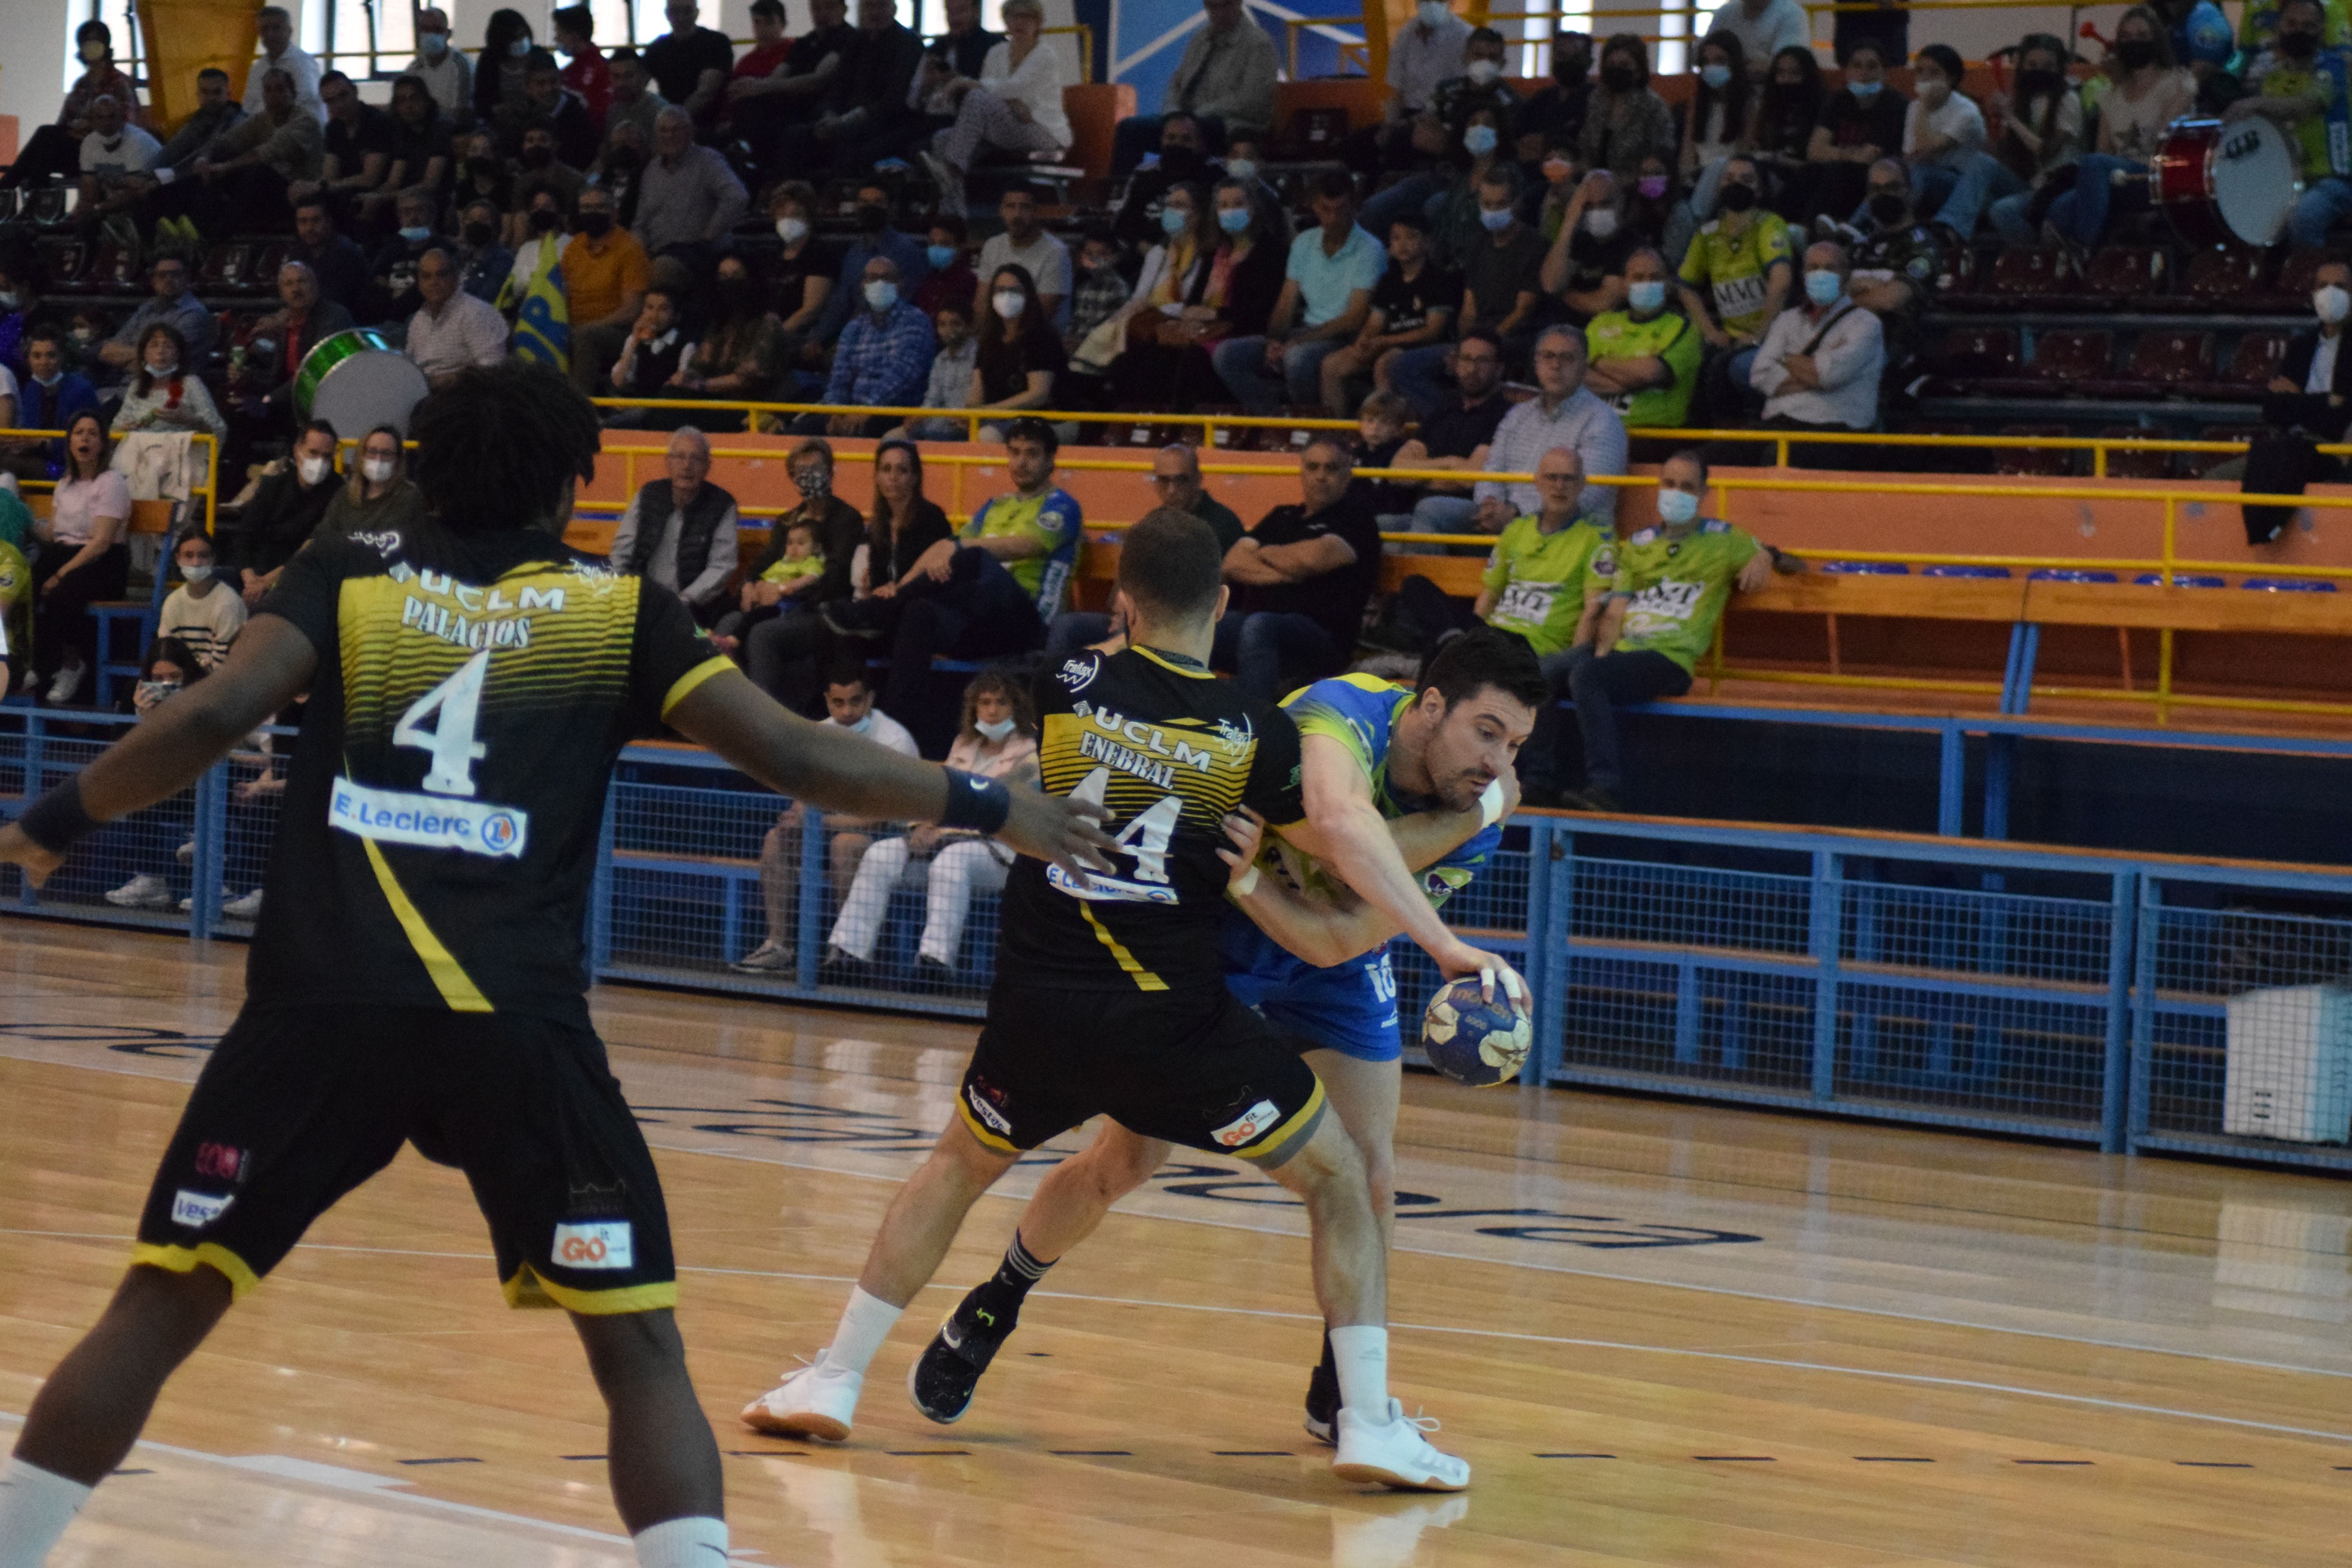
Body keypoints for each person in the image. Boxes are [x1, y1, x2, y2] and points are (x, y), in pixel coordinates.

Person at [0, 359, 1109, 1568]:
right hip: (514, 1020)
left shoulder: (350, 572)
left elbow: (216, 714)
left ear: (419, 469)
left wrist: (56, 818)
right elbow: (798, 756)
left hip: (323, 1008)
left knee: (162, 1301)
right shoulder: (620, 606)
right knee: (637, 1348)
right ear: (573, 484)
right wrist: (989, 805)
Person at [742, 508, 1478, 1495]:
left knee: (957, 1166)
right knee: (1344, 1184)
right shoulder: (1252, 730)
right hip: (1172, 1024)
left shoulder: (1062, 684)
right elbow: (1336, 845)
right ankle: (1371, 1424)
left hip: (1037, 1010)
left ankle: (832, 1378)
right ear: (1223, 602)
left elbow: (1055, 737)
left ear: (1121, 603)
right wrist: (1474, 825)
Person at [924, 627, 1538, 1453]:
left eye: (1516, 747)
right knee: (1125, 1162)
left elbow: (1341, 937)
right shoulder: (1334, 716)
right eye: (1488, 733)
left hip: (1327, 955)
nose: (1497, 763)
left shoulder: (1475, 809)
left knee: (1373, 1173)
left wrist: (1261, 872)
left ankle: (1344, 1393)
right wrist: (1252, 884)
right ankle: (999, 1297)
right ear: (1430, 707)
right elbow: (1338, 824)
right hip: (1225, 936)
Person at [823, 419, 1077, 722]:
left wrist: (961, 548)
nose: (1021, 462)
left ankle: (876, 612)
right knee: (919, 611)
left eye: (1032, 454)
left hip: (1027, 623)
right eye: (1015, 453)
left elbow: (1028, 545)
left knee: (975, 557)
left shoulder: (1062, 506)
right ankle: (894, 727)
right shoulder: (996, 505)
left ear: (1050, 460)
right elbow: (944, 547)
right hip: (983, 621)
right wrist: (899, 588)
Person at [1566, 449, 1775, 809]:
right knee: (1545, 671)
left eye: (1687, 487)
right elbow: (1615, 612)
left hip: (1671, 659)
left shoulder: (1724, 540)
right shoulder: (1637, 544)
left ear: (1704, 493)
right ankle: (1534, 783)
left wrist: (1767, 555)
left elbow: (1793, 562)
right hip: (1625, 653)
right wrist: (1603, 658)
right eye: (1669, 484)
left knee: (1587, 677)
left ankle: (1604, 788)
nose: (1676, 493)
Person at [822, 668, 1041, 982]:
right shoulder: (963, 746)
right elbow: (941, 796)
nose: (992, 711)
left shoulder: (1031, 754)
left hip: (997, 855)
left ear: (1015, 708)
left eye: (1001, 703)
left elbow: (996, 807)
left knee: (953, 862)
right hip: (942, 844)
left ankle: (935, 963)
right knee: (880, 855)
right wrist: (921, 826)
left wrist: (942, 829)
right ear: (974, 709)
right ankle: (849, 954)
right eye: (985, 703)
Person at [734, 668, 926, 975]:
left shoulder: (894, 740)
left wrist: (814, 824)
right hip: (828, 825)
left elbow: (876, 820)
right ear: (827, 700)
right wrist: (794, 818)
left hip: (891, 836)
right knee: (776, 839)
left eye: (855, 701)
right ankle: (779, 945)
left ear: (871, 699)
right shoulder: (818, 734)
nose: (847, 711)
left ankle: (847, 950)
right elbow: (804, 795)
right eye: (838, 702)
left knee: (846, 846)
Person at [748, 437, 956, 712]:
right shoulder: (880, 524)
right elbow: (881, 583)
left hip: (915, 615)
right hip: (881, 611)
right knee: (827, 624)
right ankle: (832, 710)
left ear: (915, 477)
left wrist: (895, 589)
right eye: (886, 470)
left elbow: (935, 577)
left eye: (902, 470)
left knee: (830, 619)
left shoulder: (930, 518)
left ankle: (880, 715)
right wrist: (751, 585)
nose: (893, 478)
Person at [1215, 437, 1383, 699]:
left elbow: (1312, 560)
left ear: (1347, 475)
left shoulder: (1357, 518)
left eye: (1331, 469)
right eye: (1313, 468)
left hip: (1324, 640)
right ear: (1302, 472)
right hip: (1265, 634)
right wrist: (1288, 573)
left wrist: (1265, 552)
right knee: (1210, 624)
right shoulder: (1282, 516)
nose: (1321, 476)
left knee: (1259, 625)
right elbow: (1233, 563)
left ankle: (1253, 720)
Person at [1044, 443, 1244, 657]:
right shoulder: (1152, 522)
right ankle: (1053, 689)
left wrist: (1137, 609)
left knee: (1130, 635)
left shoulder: (1222, 524)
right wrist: (1125, 600)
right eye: (1164, 480)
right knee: (1067, 626)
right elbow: (1121, 586)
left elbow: (1198, 591)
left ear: (1198, 479)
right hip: (1139, 618)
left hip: (1193, 626)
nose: (1172, 490)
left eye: (1181, 480)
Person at [1108, 178, 1286, 412]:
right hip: (1205, 327)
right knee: (1131, 360)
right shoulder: (1214, 252)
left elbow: (1259, 310)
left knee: (1191, 361)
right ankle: (1140, 430)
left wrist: (1213, 314)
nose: (1230, 211)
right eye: (1223, 205)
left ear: (1255, 207)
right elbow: (1194, 301)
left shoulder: (1271, 252)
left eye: (1238, 204)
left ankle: (1181, 428)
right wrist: (1191, 317)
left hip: (1241, 330)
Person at [1215, 171, 1385, 415]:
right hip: (1305, 330)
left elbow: (1355, 318)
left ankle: (1309, 423)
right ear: (1315, 206)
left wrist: (1295, 342)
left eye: (1342, 209)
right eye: (1327, 209)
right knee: (1228, 354)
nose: (1335, 218)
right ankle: (1274, 421)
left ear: (1354, 206)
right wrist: (1275, 340)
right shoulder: (1304, 243)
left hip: (1344, 337)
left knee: (1296, 358)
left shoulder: (1370, 249)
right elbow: (1286, 304)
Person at [2044, 8, 2193, 254]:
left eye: (2142, 35)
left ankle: (2084, 249)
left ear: (2156, 40)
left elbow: (2163, 140)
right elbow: (2104, 151)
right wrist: (2118, 83)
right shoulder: (2110, 96)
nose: (2134, 42)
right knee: (2056, 210)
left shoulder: (2179, 83)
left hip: (2157, 175)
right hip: (2119, 178)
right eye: (2126, 36)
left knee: (2090, 174)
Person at [716, 440, 866, 658]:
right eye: (801, 473)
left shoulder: (847, 519)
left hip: (817, 609)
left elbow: (836, 578)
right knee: (728, 624)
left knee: (762, 634)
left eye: (816, 470)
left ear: (831, 473)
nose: (809, 478)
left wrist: (785, 591)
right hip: (775, 606)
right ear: (793, 480)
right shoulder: (788, 521)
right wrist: (749, 585)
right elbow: (765, 561)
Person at [921, 0, 1069, 218]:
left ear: (1037, 23)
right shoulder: (997, 52)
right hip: (1007, 126)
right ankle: (954, 217)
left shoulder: (1045, 55)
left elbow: (1013, 87)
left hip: (1041, 131)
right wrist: (1010, 102)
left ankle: (951, 171)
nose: (1019, 23)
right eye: (1013, 17)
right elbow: (998, 91)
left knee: (975, 98)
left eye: (1026, 18)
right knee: (942, 139)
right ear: (1006, 21)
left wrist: (961, 83)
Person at [1475, 325, 1629, 530]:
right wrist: (1490, 505)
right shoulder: (1518, 415)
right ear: (1537, 364)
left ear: (1584, 369)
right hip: (1503, 520)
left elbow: (1588, 496)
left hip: (1567, 532)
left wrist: (1516, 516)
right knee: (1434, 510)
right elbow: (1492, 470)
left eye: (1567, 358)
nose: (1556, 365)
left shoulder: (1604, 421)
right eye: (1548, 356)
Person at [1677, 154, 1793, 416]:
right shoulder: (1708, 234)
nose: (1736, 185)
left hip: (1773, 337)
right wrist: (1709, 331)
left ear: (1760, 189)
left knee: (1729, 369)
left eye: (1747, 180)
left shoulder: (1769, 225)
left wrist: (1758, 336)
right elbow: (1685, 286)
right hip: (1729, 336)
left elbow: (1781, 282)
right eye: (1729, 179)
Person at [1113, 0, 1283, 178]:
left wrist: (1195, 117)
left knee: (1196, 130)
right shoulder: (1199, 39)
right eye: (1212, 7)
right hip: (1189, 119)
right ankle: (1121, 191)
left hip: (1231, 125)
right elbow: (1177, 84)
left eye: (1224, 6)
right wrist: (1173, 114)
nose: (1218, 13)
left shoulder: (1259, 44)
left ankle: (1191, 187)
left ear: (1238, 4)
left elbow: (1251, 101)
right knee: (1131, 129)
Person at [29, 412, 131, 707]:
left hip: (103, 561)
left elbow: (101, 543)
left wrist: (60, 574)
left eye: (92, 433)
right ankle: (36, 664)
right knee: (27, 583)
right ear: (70, 441)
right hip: (65, 552)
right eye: (79, 433)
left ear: (102, 443)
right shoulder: (65, 483)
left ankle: (73, 666)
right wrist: (24, 520)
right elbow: (54, 533)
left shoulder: (111, 483)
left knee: (62, 592)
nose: (85, 439)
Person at [2237, 0, 2352, 248]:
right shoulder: (2274, 79)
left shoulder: (2335, 67)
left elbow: (2305, 106)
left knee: (2305, 216)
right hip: (2288, 180)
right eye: (2292, 23)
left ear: (2321, 32)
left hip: (2336, 179)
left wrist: (2254, 105)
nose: (2299, 31)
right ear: (2279, 28)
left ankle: (2313, 280)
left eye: (2309, 26)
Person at [1319, 214, 1458, 417]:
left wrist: (1383, 341)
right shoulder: (1388, 280)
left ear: (1427, 241)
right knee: (1331, 365)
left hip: (1419, 347)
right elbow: (1375, 322)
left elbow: (1432, 331)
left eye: (1411, 237)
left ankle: (1387, 430)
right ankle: (1338, 431)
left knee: (1385, 365)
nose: (1403, 244)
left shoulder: (1439, 279)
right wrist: (1364, 341)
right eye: (1396, 238)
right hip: (1385, 342)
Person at [1751, 240, 1883, 445]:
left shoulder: (1866, 323)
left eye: (1830, 268)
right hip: (1779, 425)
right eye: (1813, 268)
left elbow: (1829, 376)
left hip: (1835, 432)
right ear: (1803, 275)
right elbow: (1760, 376)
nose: (1821, 274)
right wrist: (1814, 371)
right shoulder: (1787, 319)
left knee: (1777, 460)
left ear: (1845, 276)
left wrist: (1782, 357)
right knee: (1717, 459)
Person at [609, 427, 740, 624]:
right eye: (679, 457)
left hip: (696, 607)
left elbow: (722, 566)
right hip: (642, 601)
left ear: (708, 466)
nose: (687, 466)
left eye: (696, 459)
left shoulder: (722, 504)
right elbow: (622, 552)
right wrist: (620, 593)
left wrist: (684, 601)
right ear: (668, 463)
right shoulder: (647, 495)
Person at [1391, 332, 1513, 534]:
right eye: (1466, 359)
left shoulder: (1506, 416)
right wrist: (1450, 463)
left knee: (1429, 510)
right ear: (1456, 364)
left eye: (1482, 361)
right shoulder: (1443, 410)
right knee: (1376, 525)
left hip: (1472, 511)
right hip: (1419, 509)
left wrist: (1423, 472)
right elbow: (1398, 471)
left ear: (1499, 368)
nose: (1472, 368)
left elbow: (1472, 478)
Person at [5, 20, 149, 189]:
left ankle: (12, 188)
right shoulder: (81, 85)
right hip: (79, 153)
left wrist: (89, 129)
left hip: (109, 153)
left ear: (105, 45)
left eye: (96, 40)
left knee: (45, 138)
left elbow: (126, 127)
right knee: (43, 149)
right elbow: (63, 125)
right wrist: (75, 131)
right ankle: (36, 197)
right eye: (85, 42)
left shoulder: (119, 83)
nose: (90, 46)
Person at [181, 68, 325, 236]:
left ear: (293, 93)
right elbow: (224, 141)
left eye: (280, 89)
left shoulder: (305, 122)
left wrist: (224, 168)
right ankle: (195, 225)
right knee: (218, 161)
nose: (274, 96)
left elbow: (266, 153)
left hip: (299, 194)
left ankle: (217, 235)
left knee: (256, 172)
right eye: (268, 90)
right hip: (270, 191)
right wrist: (204, 159)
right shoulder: (263, 119)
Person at [1788, 39, 1905, 227]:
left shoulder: (1894, 104)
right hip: (1838, 169)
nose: (1863, 73)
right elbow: (1814, 151)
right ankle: (1784, 228)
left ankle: (1808, 230)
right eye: (1857, 66)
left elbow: (1869, 156)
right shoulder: (1837, 100)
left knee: (1837, 172)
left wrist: (1835, 153)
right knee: (1809, 172)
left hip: (1874, 175)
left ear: (1885, 72)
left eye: (1872, 67)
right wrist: (1848, 154)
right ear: (1847, 71)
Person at [817, 258, 938, 437]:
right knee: (804, 430)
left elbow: (904, 374)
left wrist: (867, 409)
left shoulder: (915, 321)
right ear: (863, 285)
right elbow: (839, 378)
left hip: (895, 410)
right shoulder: (854, 327)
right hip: (853, 410)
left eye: (886, 278)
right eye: (872, 278)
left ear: (900, 284)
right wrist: (836, 412)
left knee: (862, 432)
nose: (879, 284)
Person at [1985, 34, 2086, 246]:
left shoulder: (2069, 100)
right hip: (2029, 182)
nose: (2039, 71)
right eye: (2032, 65)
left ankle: (2038, 256)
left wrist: (2011, 119)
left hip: (2057, 184)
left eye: (2047, 65)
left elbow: (2046, 152)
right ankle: (1952, 230)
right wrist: (1996, 122)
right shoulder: (2021, 99)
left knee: (2002, 211)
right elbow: (2002, 155)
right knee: (1980, 165)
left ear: (2059, 68)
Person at [1584, 247, 1702, 427]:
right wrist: (1624, 384)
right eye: (1638, 278)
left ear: (1668, 284)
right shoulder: (1601, 323)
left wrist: (1598, 362)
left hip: (1655, 432)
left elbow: (1651, 373)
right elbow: (1576, 374)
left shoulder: (1683, 328)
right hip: (1600, 427)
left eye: (1655, 278)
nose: (1647, 284)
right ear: (1624, 284)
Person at [227, 422, 340, 608]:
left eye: (327, 456)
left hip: (303, 580)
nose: (320, 462)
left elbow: (315, 548)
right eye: (313, 453)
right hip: (255, 575)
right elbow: (245, 535)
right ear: (297, 450)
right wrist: (250, 579)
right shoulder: (273, 486)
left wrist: (267, 582)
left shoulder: (338, 494)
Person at [1846, 161, 1943, 372]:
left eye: (1892, 188)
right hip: (1844, 341)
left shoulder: (1923, 246)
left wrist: (1849, 293)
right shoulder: (1860, 245)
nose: (1884, 195)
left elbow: (1889, 300)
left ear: (1910, 192)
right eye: (1875, 189)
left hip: (1891, 349)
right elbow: (1822, 292)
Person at [669, 254, 782, 430]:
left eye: (737, 275)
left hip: (750, 409)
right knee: (670, 398)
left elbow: (746, 380)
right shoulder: (720, 324)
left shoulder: (767, 323)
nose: (730, 282)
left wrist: (700, 385)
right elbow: (700, 365)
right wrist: (684, 378)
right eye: (723, 277)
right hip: (717, 403)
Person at [633, 107, 748, 265]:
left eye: (676, 130)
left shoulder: (708, 160)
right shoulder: (651, 171)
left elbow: (737, 197)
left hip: (698, 255)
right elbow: (640, 223)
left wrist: (709, 236)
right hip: (656, 253)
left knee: (663, 267)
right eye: (663, 131)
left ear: (690, 131)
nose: (669, 136)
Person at [1677, 31, 1757, 241]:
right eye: (1707, 62)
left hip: (1729, 175)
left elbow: (1743, 154)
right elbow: (1687, 152)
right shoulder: (1697, 103)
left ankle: (1694, 224)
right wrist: (1687, 175)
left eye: (1720, 61)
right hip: (1699, 173)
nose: (1712, 67)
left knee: (1720, 166)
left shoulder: (1748, 105)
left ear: (1734, 64)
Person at [970, 264, 1062, 435]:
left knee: (987, 436)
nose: (1006, 296)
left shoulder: (1042, 337)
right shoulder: (988, 340)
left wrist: (989, 412)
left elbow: (1039, 394)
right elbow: (976, 391)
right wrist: (969, 413)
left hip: (1047, 421)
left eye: (1015, 291)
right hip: (997, 419)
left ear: (1029, 295)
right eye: (1000, 290)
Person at [97, 258, 216, 386]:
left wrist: (124, 360)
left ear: (186, 279)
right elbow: (107, 352)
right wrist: (145, 359)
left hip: (169, 390)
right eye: (162, 275)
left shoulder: (194, 314)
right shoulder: (147, 309)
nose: (169, 280)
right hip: (128, 385)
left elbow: (163, 365)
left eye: (175, 275)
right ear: (153, 281)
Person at [404, 246, 509, 391]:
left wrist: (444, 381)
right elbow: (411, 368)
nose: (434, 282)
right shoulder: (418, 321)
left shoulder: (476, 312)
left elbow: (493, 369)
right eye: (427, 276)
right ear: (420, 284)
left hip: (463, 400)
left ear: (456, 277)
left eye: (442, 275)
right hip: (425, 398)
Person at [1113, 113, 1225, 247]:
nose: (1178, 144)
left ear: (1201, 143)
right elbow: (1123, 223)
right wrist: (1144, 248)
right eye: (1171, 138)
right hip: (1147, 252)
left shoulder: (1217, 176)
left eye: (1186, 139)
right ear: (1162, 140)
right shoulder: (1144, 174)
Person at [1543, 170, 1637, 327]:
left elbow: (1603, 305)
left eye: (1605, 204)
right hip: (1564, 329)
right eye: (1589, 206)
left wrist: (1566, 294)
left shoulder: (1633, 246)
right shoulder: (1578, 241)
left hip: (1608, 332)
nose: (1597, 212)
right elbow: (1551, 285)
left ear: (1621, 202)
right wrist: (1569, 222)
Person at [5, 328, 101, 482]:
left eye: (51, 355)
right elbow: (28, 431)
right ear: (28, 359)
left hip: (68, 467)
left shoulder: (81, 390)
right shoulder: (30, 389)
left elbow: (88, 443)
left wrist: (40, 442)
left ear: (62, 357)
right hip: (36, 461)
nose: (44, 362)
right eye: (37, 356)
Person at [294, 71, 395, 218]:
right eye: (331, 101)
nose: (339, 105)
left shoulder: (377, 122)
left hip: (377, 195)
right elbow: (330, 175)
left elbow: (370, 179)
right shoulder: (334, 128)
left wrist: (322, 187)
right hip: (346, 192)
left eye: (343, 96)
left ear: (355, 92)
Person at [975, 187, 1073, 333]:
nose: (1017, 215)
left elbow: (1041, 315)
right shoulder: (993, 246)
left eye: (1025, 207)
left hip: (1039, 341)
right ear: (1001, 211)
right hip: (997, 337)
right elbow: (982, 304)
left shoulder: (1056, 253)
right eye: (1010, 207)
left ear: (1036, 211)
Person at [1580, 34, 1679, 178]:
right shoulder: (1596, 100)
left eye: (1624, 65)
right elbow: (1585, 147)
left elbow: (1662, 158)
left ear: (1639, 70)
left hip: (1635, 186)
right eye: (1611, 65)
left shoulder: (1654, 107)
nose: (1616, 70)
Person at [111, 325, 227, 442]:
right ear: (144, 354)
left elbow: (218, 431)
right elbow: (114, 432)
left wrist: (191, 421)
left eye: (168, 346)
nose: (161, 352)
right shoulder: (136, 387)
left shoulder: (191, 384)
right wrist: (124, 430)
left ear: (178, 355)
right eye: (154, 345)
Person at [316, 424, 428, 543]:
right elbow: (323, 535)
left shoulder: (410, 498)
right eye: (372, 451)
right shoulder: (345, 495)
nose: (378, 459)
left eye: (386, 453)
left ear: (398, 460)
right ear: (362, 455)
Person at [153, 529, 246, 671]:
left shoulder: (228, 602)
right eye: (189, 556)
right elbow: (167, 653)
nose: (196, 563)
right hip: (184, 679)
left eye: (203, 556)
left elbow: (224, 664)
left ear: (213, 559)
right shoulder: (173, 602)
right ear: (178, 559)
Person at [607, 285, 699, 421]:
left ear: (676, 316)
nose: (654, 315)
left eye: (664, 309)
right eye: (650, 308)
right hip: (636, 405)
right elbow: (618, 382)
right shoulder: (635, 340)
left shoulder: (685, 345)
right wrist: (634, 343)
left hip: (665, 410)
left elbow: (681, 383)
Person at [75, 93, 165, 224]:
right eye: (101, 118)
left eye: (112, 117)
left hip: (152, 205)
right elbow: (90, 190)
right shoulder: (89, 144)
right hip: (117, 206)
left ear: (122, 118)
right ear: (92, 121)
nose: (106, 123)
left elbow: (136, 194)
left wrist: (97, 209)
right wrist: (88, 211)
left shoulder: (137, 142)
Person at [646, 0, 735, 127]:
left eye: (687, 11)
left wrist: (672, 122)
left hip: (709, 125)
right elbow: (637, 82)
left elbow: (706, 94)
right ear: (667, 14)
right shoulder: (657, 48)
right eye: (675, 11)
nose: (681, 18)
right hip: (671, 125)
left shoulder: (716, 43)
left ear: (697, 13)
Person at [289, 197, 373, 318]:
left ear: (328, 222)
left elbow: (333, 303)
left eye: (316, 221)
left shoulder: (345, 252)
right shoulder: (298, 252)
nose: (309, 228)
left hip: (346, 323)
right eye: (303, 222)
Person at [243, 5, 327, 123]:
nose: (270, 34)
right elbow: (248, 107)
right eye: (265, 29)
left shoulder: (303, 64)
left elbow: (306, 103)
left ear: (289, 32)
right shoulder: (257, 69)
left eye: (276, 28)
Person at [475, 8, 557, 128]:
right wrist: (496, 109)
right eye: (514, 38)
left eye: (523, 35)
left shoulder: (540, 55)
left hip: (539, 122)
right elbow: (481, 100)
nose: (521, 41)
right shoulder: (489, 61)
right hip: (500, 124)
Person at [403, 7, 474, 124]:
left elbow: (460, 112)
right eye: (426, 30)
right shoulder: (413, 69)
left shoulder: (461, 65)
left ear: (448, 34)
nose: (431, 35)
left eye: (437, 30)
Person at [552, 4, 614, 131]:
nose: (556, 39)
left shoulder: (599, 70)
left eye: (560, 33)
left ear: (574, 35)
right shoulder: (571, 70)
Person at [1709, 0, 1811, 69]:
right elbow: (1703, 52)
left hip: (1773, 94)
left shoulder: (1792, 14)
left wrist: (1732, 67)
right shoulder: (1726, 12)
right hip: (1728, 93)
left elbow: (1787, 65)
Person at [456, 199, 516, 304]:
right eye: (471, 219)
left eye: (483, 219)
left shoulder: (503, 259)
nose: (476, 223)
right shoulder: (460, 256)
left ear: (495, 226)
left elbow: (487, 297)